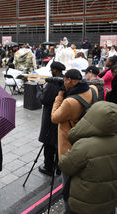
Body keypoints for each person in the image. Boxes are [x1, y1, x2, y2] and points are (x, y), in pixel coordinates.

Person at [51, 69, 98, 214]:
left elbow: (54, 117)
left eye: (64, 80)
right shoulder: (93, 89)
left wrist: (59, 96)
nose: (63, 82)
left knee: (68, 186)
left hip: (70, 148)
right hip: (88, 141)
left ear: (69, 81)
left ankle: (69, 210)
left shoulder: (70, 102)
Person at [58, 101, 117, 214]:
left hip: (84, 205)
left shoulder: (84, 146)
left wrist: (69, 153)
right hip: (109, 202)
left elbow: (65, 166)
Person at [37, 61, 66, 176]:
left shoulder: (52, 83)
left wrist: (39, 91)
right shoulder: (64, 81)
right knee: (58, 142)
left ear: (55, 70)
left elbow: (44, 99)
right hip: (61, 115)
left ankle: (48, 167)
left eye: (52, 70)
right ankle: (58, 167)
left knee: (48, 142)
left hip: (50, 115)